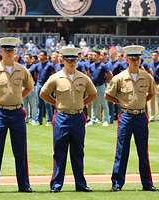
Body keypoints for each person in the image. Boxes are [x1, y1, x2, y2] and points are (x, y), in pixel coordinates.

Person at [0, 37, 34, 193]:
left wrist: (18, 97)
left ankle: (24, 185)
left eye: (12, 50)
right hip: (0, 112)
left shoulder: (22, 69)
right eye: (6, 50)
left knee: (20, 150)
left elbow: (30, 87)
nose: (9, 52)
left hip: (17, 112)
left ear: (15, 51)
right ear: (1, 51)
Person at [40, 47, 97, 192]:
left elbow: (93, 94)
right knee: (59, 151)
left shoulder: (83, 77)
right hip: (62, 116)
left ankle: (81, 184)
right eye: (68, 60)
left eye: (74, 60)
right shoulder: (55, 77)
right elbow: (43, 93)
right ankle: (56, 185)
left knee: (78, 151)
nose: (71, 62)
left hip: (78, 117)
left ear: (77, 60)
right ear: (63, 60)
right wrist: (56, 103)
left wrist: (82, 103)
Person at [105, 45, 158, 192]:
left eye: (138, 59)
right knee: (122, 151)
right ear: (127, 59)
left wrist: (140, 103)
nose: (135, 61)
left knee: (143, 150)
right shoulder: (119, 78)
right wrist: (122, 103)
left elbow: (151, 93)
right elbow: (108, 95)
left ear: (141, 59)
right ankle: (117, 183)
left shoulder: (147, 77)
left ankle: (147, 184)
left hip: (141, 116)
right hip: (126, 116)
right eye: (133, 59)